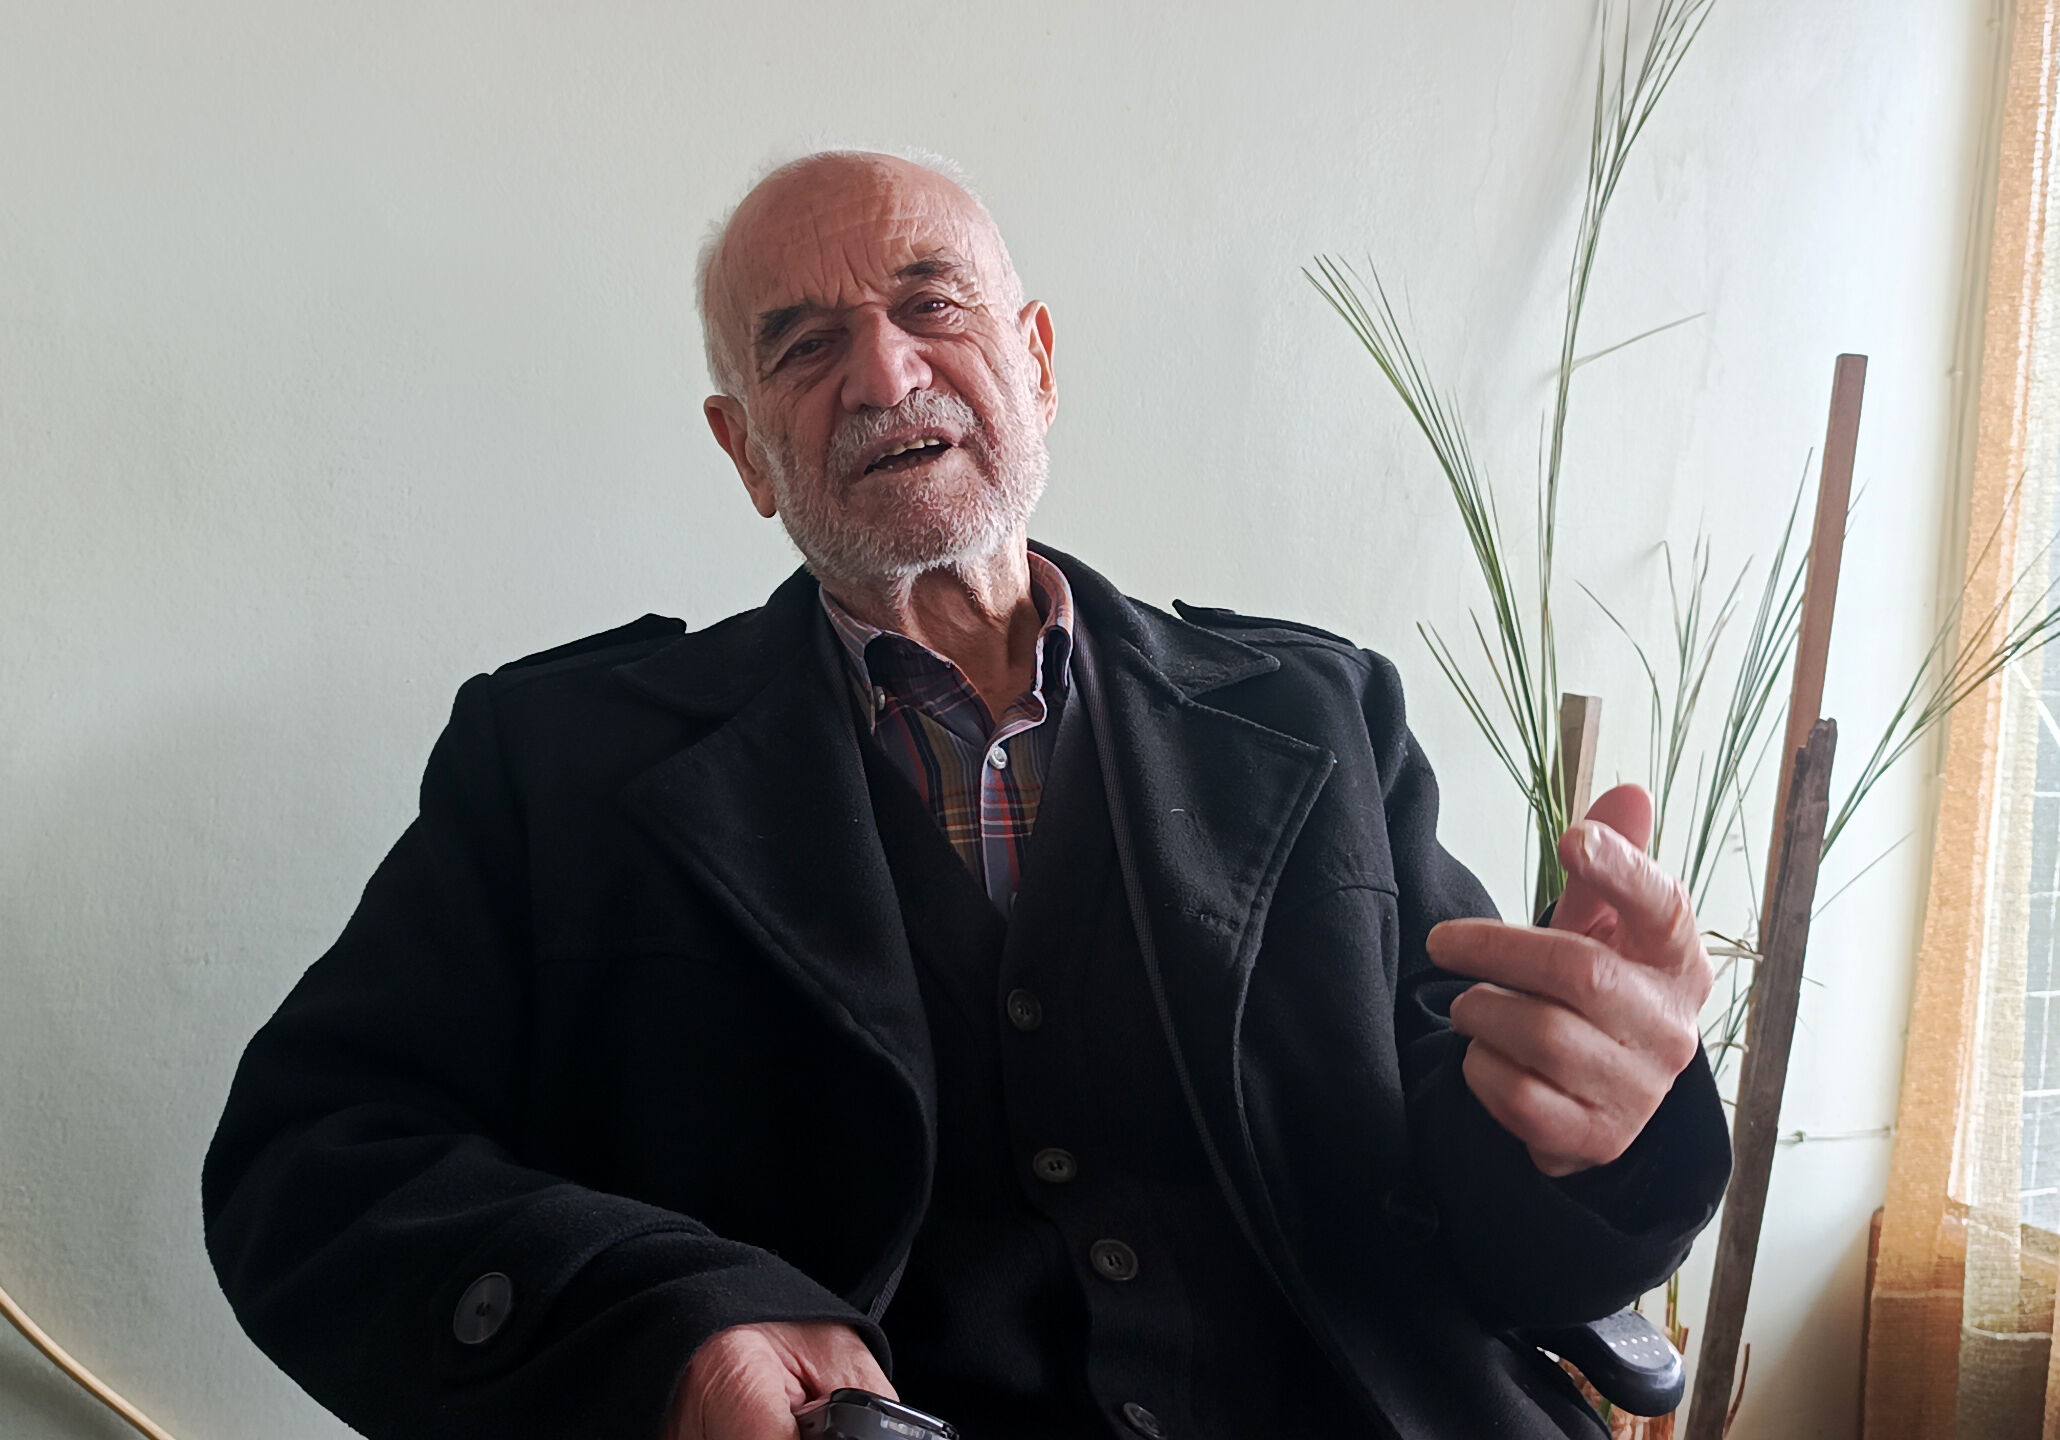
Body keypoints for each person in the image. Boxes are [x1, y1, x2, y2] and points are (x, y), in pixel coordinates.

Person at [203, 149, 1730, 1440]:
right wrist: (669, 1329)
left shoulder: (1318, 715)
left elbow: (1477, 1196)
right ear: (746, 449)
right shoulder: (557, 765)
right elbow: (312, 1160)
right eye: (804, 347)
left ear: (1039, 364)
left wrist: (1597, 1129)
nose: (885, 373)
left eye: (931, 305)